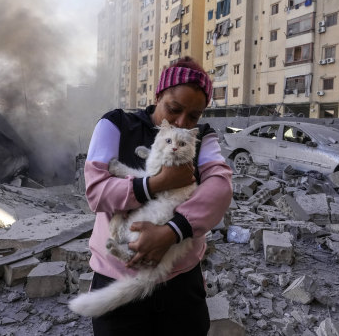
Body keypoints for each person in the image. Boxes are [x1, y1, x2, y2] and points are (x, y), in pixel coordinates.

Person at [83, 56, 233, 336]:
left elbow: (220, 188)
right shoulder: (116, 124)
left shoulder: (201, 138)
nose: (180, 122)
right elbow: (96, 192)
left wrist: (170, 233)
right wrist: (156, 183)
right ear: (159, 94)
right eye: (173, 109)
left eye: (193, 117)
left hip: (179, 283)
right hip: (117, 276)